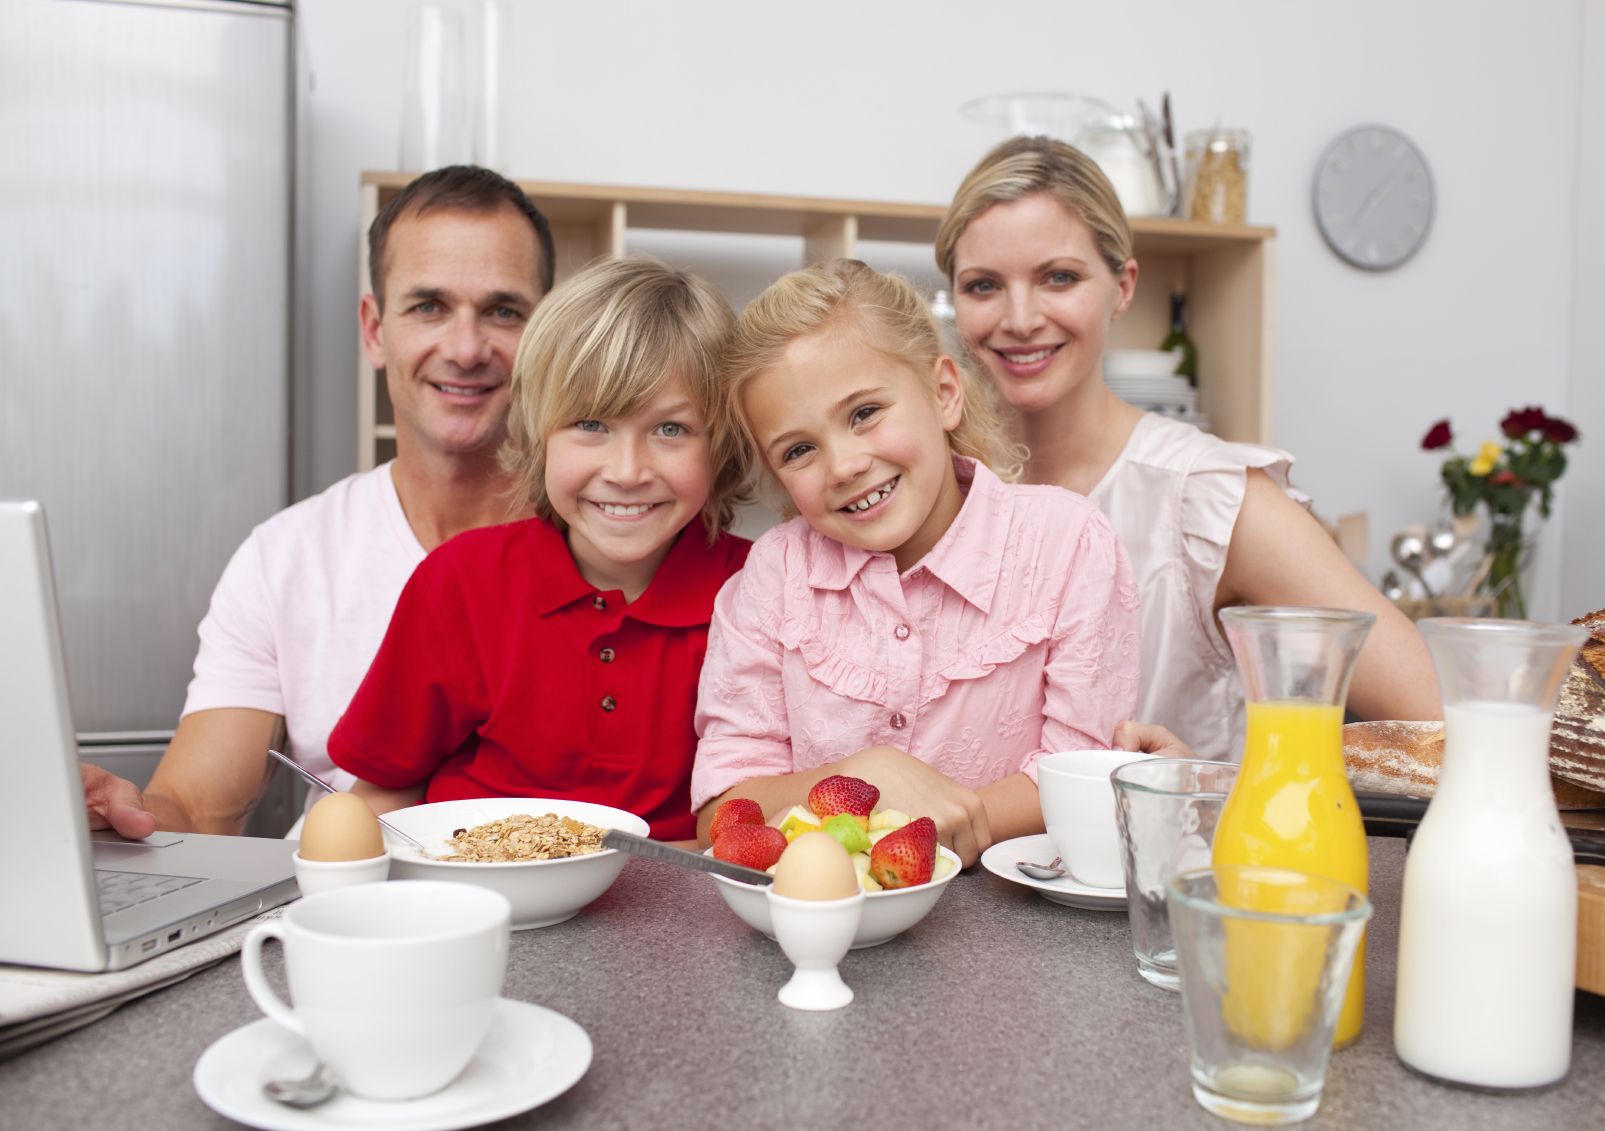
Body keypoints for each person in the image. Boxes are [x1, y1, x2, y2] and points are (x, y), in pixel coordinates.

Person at [81, 165, 555, 836]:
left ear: (549, 336)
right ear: (373, 330)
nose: (467, 347)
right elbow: (194, 808)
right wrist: (117, 813)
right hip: (342, 928)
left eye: (504, 311)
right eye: (428, 306)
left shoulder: (616, 549)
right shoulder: (284, 559)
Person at [937, 137, 1442, 761]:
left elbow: (1439, 719)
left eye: (1059, 277)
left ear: (1122, 287)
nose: (1019, 318)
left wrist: (1219, 785)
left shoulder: (1206, 498)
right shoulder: (931, 491)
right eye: (983, 286)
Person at [691, 259, 1140, 866]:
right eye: (799, 450)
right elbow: (723, 813)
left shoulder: (1069, 544)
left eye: (865, 413)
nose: (844, 465)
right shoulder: (773, 577)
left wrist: (910, 820)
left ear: (944, 394)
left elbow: (1083, 777)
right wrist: (862, 776)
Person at [328, 257, 752, 843]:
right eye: (590, 425)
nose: (627, 472)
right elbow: (382, 790)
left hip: (682, 917)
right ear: (535, 432)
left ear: (723, 445)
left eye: (671, 429)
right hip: (482, 903)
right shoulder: (459, 583)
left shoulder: (763, 591)